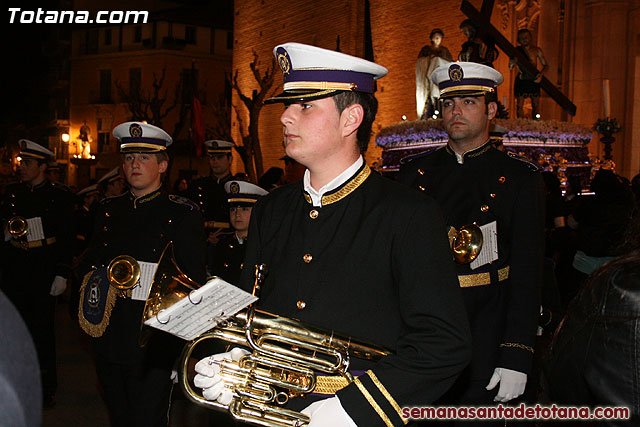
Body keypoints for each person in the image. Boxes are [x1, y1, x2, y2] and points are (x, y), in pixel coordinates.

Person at [194, 42, 471, 427]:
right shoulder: (272, 209)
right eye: (288, 106)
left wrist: (352, 410)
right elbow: (252, 311)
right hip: (268, 409)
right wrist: (235, 360)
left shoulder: (407, 213)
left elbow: (444, 343)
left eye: (305, 106)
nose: (285, 119)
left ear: (350, 119)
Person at [398, 62, 545, 417]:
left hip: (488, 325)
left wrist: (516, 353)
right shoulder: (412, 174)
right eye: (448, 104)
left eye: (468, 102)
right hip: (425, 329)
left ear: (491, 110)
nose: (456, 112)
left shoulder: (519, 178)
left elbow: (528, 273)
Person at [78, 122, 206, 427]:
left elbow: (193, 282)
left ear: (163, 165)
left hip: (155, 338)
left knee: (147, 419)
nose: (134, 165)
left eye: (144, 158)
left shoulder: (183, 213)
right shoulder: (108, 209)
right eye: (129, 158)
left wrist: (179, 348)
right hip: (110, 333)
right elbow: (89, 264)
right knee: (119, 416)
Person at [0, 139, 76, 409]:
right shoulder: (11, 192)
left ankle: (45, 388)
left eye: (28, 163)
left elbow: (67, 238)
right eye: (22, 162)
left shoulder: (60, 196)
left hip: (42, 267)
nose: (22, 167)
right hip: (14, 266)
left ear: (43, 166)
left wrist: (62, 272)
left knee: (41, 331)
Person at [210, 181, 268, 285]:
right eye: (233, 209)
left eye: (244, 209)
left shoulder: (264, 246)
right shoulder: (222, 245)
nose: (237, 214)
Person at [509, 29, 548, 119]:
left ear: (530, 37)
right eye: (521, 38)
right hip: (522, 79)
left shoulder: (537, 50)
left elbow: (546, 65)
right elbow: (510, 67)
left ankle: (535, 124)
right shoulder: (517, 51)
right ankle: (520, 124)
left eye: (526, 37)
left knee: (535, 104)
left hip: (534, 78)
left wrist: (541, 75)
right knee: (519, 104)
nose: (524, 39)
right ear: (518, 40)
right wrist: (512, 62)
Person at [416, 28, 453, 119]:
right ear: (432, 38)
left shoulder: (444, 51)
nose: (437, 40)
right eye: (435, 37)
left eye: (439, 38)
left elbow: (449, 63)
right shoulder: (427, 50)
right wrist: (431, 60)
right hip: (428, 78)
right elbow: (420, 62)